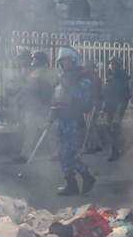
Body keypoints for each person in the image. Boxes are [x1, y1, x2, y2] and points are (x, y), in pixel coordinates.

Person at [50, 47, 96, 196]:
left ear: (74, 60)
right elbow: (57, 98)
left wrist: (67, 97)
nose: (64, 63)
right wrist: (53, 112)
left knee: (70, 154)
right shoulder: (62, 78)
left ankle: (87, 176)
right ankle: (71, 184)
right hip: (62, 119)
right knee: (63, 154)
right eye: (62, 61)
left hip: (74, 121)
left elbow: (82, 99)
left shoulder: (82, 79)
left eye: (67, 60)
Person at [16, 51, 54, 163]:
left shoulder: (42, 73)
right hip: (34, 107)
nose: (33, 61)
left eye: (35, 59)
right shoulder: (38, 72)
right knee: (35, 132)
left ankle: (54, 153)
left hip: (39, 107)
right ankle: (25, 154)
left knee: (45, 131)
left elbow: (39, 90)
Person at [102, 56, 131, 162]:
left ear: (118, 65)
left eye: (114, 64)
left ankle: (116, 151)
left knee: (115, 127)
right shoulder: (110, 75)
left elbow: (125, 94)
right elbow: (107, 91)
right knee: (109, 127)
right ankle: (120, 146)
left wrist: (120, 107)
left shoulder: (122, 76)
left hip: (119, 104)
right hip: (110, 105)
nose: (112, 65)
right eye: (111, 63)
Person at [82, 61, 103, 154]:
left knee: (90, 126)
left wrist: (94, 104)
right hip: (89, 104)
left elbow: (95, 93)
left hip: (94, 103)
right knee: (90, 126)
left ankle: (94, 146)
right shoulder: (90, 77)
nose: (85, 69)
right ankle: (97, 145)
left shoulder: (94, 78)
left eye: (87, 68)